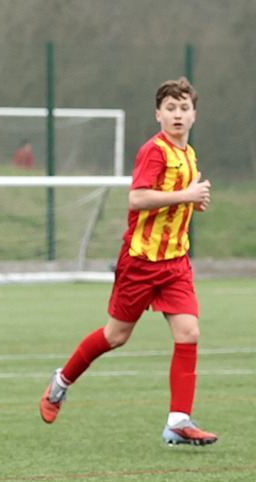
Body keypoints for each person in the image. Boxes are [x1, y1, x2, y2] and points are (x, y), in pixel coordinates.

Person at [39, 77, 216, 446]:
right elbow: (137, 199)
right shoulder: (154, 151)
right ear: (158, 114)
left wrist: (193, 201)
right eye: (171, 108)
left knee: (189, 333)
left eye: (184, 108)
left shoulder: (189, 154)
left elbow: (174, 200)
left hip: (175, 262)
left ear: (194, 115)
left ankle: (178, 421)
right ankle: (61, 381)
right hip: (141, 261)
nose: (178, 115)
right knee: (115, 336)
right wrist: (186, 194)